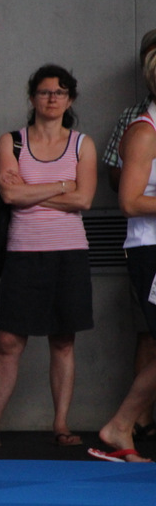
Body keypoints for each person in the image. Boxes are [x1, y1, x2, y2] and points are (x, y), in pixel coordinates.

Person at [0, 64, 96, 451]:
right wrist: (63, 184)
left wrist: (34, 190)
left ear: (70, 99)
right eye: (45, 92)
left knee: (63, 341)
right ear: (32, 97)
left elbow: (84, 199)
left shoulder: (82, 144)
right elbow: (11, 196)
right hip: (23, 253)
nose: (52, 98)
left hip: (69, 252)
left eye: (60, 92)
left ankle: (61, 424)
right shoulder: (11, 142)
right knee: (9, 342)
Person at [92, 49, 156, 463]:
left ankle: (120, 424)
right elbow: (130, 201)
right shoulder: (145, 131)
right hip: (150, 248)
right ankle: (121, 424)